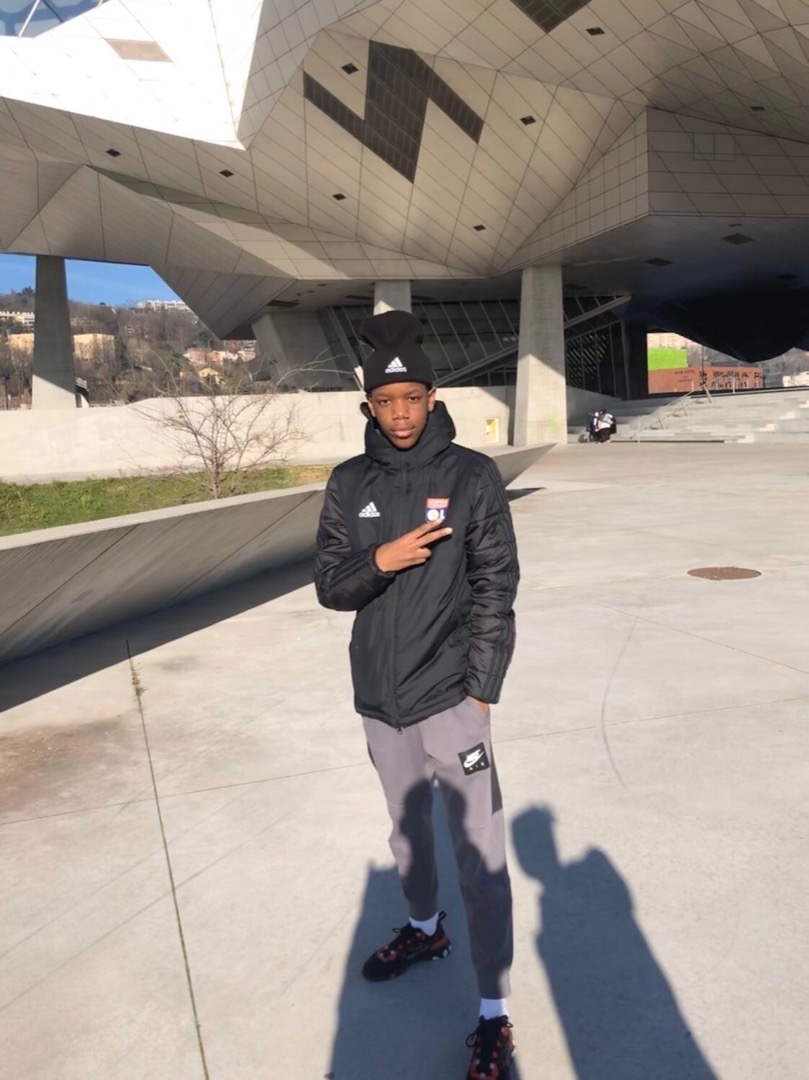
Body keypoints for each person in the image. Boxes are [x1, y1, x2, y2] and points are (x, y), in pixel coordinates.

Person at [314, 309, 520, 1080]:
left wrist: (480, 692)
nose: (399, 414)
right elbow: (330, 585)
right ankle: (424, 927)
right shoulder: (348, 482)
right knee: (407, 836)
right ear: (368, 405)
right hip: (380, 699)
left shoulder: (471, 476)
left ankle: (492, 1011)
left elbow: (495, 585)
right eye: (384, 401)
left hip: (450, 698)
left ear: (432, 398)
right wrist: (382, 559)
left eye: (411, 398)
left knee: (481, 856)